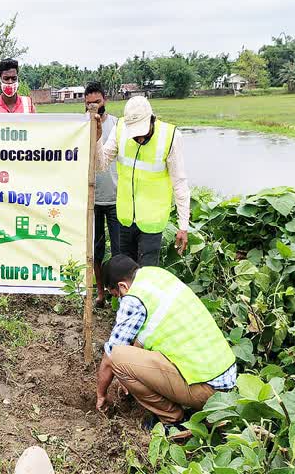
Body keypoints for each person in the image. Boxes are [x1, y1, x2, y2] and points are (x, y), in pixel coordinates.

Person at [96, 255, 237, 437]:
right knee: (125, 360)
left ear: (123, 286)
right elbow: (142, 340)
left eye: (117, 295)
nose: (120, 299)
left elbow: (112, 356)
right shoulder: (156, 275)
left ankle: (174, 421)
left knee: (118, 358)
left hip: (208, 390)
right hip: (225, 383)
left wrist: (101, 394)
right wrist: (130, 376)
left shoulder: (133, 298)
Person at [95, 96, 190, 266]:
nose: (139, 139)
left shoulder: (170, 137)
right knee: (125, 275)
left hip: (152, 222)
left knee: (146, 275)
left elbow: (180, 184)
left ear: (152, 120)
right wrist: (96, 139)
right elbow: (100, 165)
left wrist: (183, 226)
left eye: (142, 133)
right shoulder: (120, 129)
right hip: (124, 219)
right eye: (135, 134)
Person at [84, 81, 119, 308]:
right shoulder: (81, 127)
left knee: (118, 251)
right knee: (95, 250)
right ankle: (99, 294)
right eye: (89, 103)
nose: (93, 106)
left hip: (117, 198)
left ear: (104, 100)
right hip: (92, 199)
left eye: (97, 101)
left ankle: (118, 293)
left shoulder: (117, 125)